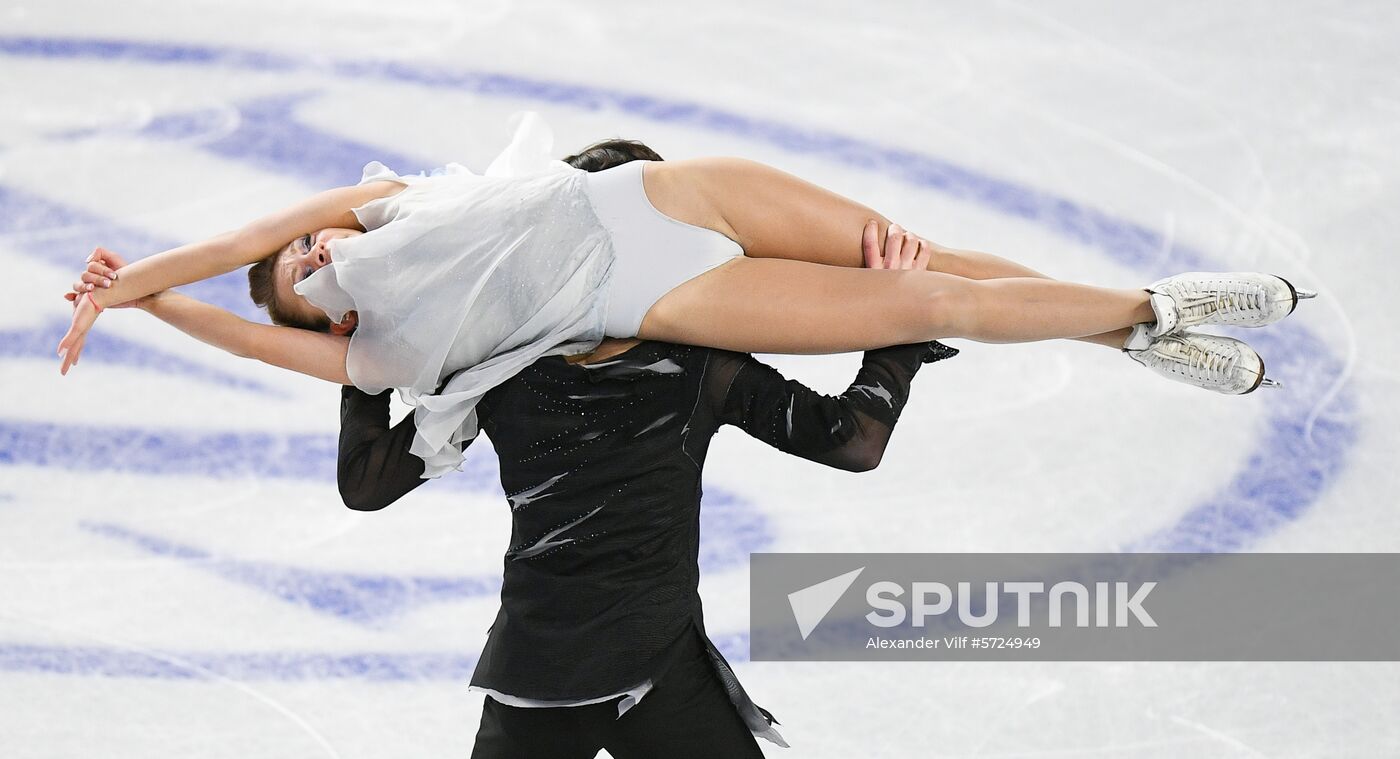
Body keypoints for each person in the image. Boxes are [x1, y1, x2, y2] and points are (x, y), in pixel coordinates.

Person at [65, 142, 957, 756]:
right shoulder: (679, 360)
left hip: (567, 672)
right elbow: (853, 438)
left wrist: (368, 354)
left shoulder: (493, 364)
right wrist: (900, 321)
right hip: (634, 668)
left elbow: (367, 482)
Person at [57, 112, 1315, 481]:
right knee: (940, 304)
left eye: (302, 251)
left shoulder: (386, 204)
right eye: (297, 288)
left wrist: (133, 275)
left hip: (664, 200)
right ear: (325, 322)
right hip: (665, 303)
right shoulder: (384, 355)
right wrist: (150, 312)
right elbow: (239, 330)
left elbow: (239, 236)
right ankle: (1147, 309)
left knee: (915, 258)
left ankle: (1127, 329)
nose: (304, 262)